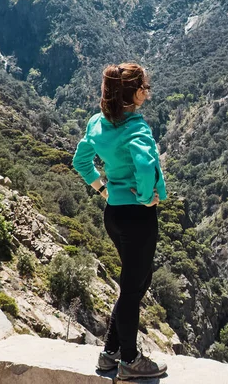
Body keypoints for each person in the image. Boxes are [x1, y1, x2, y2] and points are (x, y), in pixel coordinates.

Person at [72, 62, 167, 380]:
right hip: (138, 217)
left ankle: (109, 355)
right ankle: (129, 360)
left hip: (113, 214)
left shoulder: (97, 124)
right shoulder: (137, 129)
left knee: (136, 284)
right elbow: (143, 164)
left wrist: (102, 189)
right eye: (146, 88)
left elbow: (81, 160)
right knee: (132, 288)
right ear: (136, 92)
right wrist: (144, 196)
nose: (147, 93)